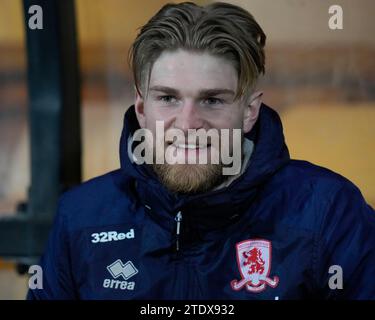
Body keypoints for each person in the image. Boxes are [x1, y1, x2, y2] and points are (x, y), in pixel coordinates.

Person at [27, 2, 375, 300]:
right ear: (142, 108)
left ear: (250, 111)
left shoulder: (327, 212)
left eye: (212, 100)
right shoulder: (82, 217)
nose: (189, 124)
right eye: (168, 98)